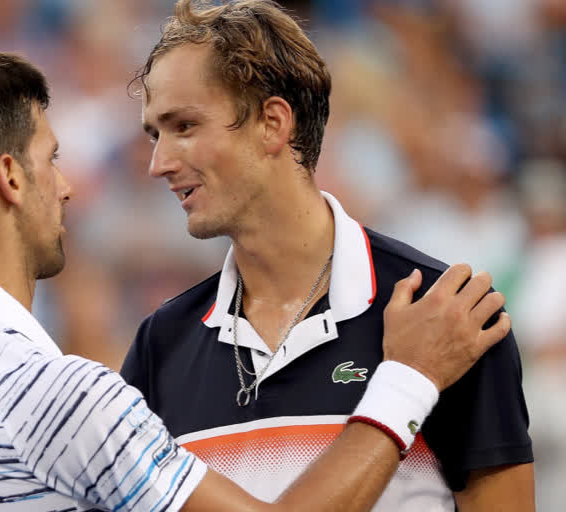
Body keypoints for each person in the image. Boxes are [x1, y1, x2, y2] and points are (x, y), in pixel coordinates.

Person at [0, 51, 509, 512]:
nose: (69, 186)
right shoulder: (62, 395)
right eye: (53, 160)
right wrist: (410, 379)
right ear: (10, 179)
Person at [119, 1, 534, 511]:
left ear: (273, 122)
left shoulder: (449, 312)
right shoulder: (159, 345)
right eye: (154, 134)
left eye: (183, 126)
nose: (158, 163)